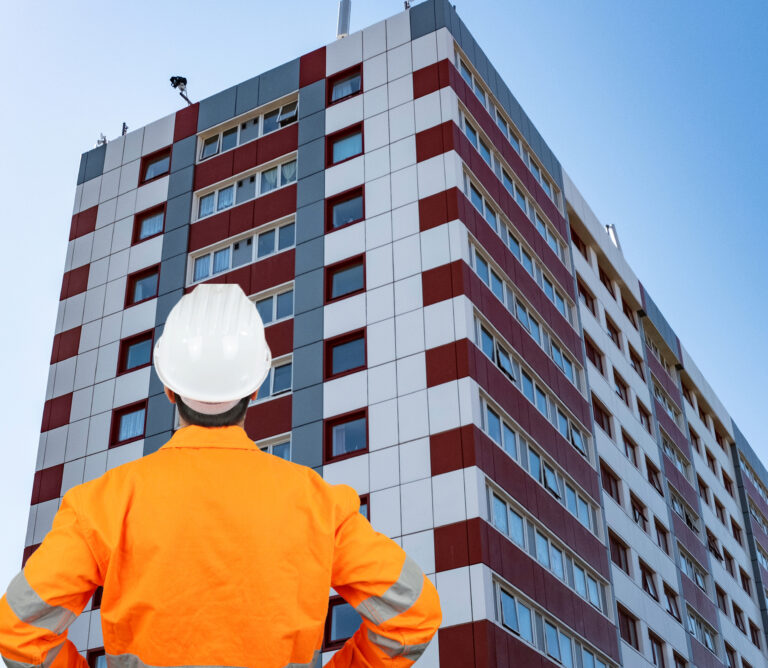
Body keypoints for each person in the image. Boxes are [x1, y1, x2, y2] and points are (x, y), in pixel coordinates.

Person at [0, 283, 441, 667]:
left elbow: (18, 631)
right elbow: (413, 614)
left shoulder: (103, 504)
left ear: (169, 385)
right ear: (255, 386)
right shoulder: (319, 505)